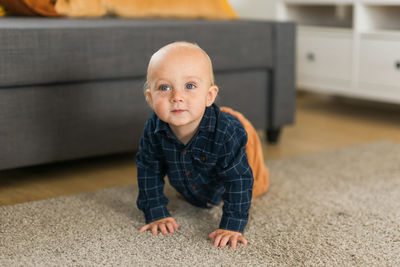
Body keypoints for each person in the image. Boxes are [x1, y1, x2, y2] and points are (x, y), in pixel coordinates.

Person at [136, 41, 269, 250]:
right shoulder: (153, 128)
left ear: (209, 96)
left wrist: (232, 225)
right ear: (150, 99)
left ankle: (241, 128)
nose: (177, 97)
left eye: (189, 86)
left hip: (233, 135)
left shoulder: (227, 133)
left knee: (255, 182)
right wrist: (155, 212)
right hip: (195, 180)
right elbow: (148, 169)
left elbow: (239, 179)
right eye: (164, 87)